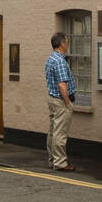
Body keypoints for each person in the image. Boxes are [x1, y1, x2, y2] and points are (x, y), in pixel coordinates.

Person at [44, 32, 76, 171]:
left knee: (52, 131)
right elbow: (62, 84)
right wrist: (67, 102)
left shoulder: (51, 58)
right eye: (67, 42)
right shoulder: (60, 61)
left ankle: (52, 160)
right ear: (62, 43)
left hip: (52, 99)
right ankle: (60, 162)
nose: (67, 44)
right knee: (60, 133)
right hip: (60, 101)